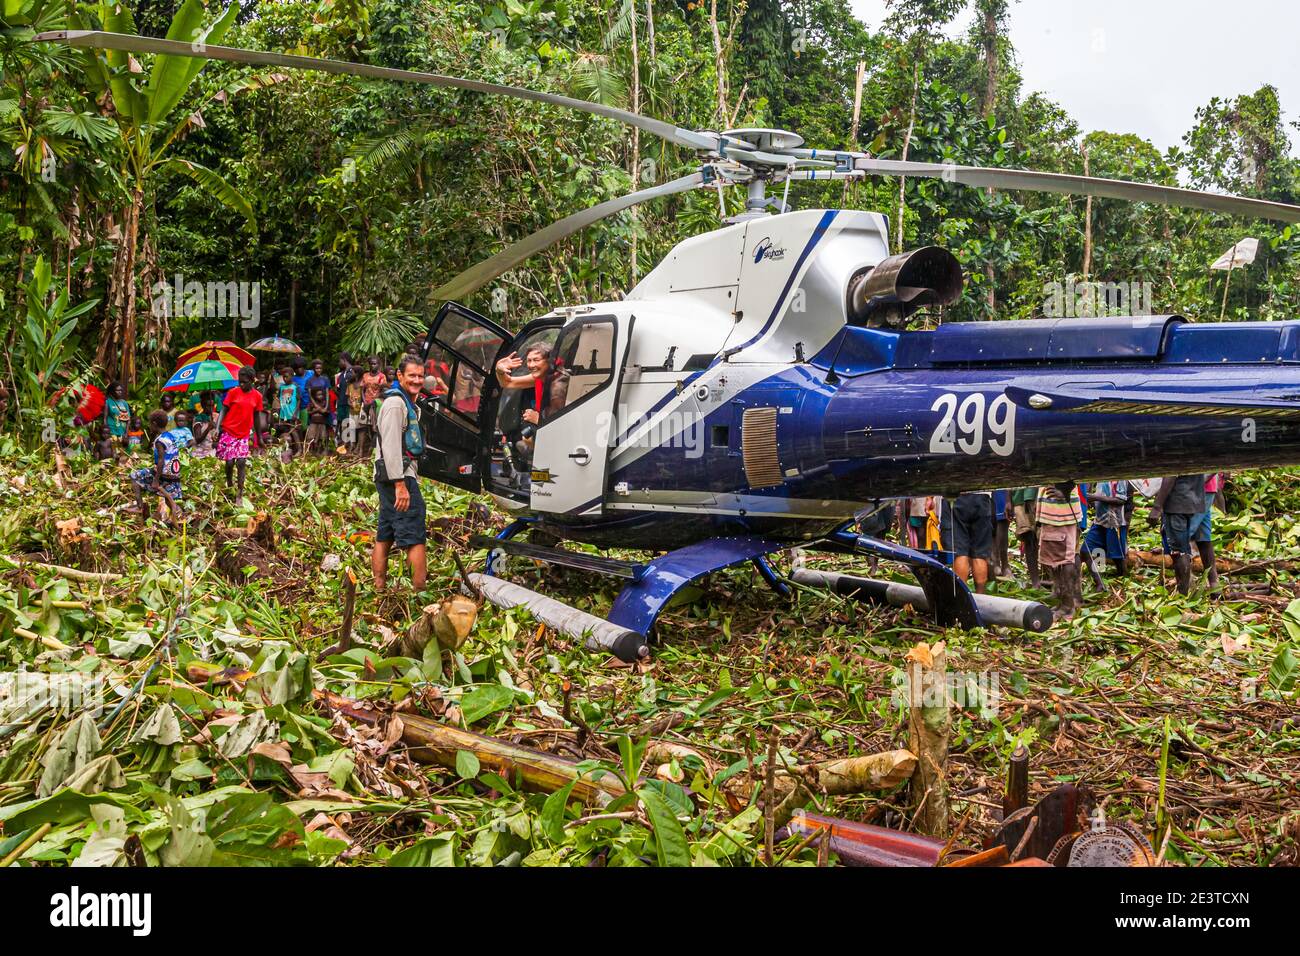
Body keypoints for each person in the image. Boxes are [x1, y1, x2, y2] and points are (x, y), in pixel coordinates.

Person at [372, 356, 428, 592]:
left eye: (420, 376)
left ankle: (379, 587)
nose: (416, 380)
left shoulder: (407, 403)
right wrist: (400, 484)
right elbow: (391, 446)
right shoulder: (396, 404)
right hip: (397, 477)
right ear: (400, 376)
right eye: (411, 376)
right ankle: (420, 595)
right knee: (415, 534)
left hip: (392, 476)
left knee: (385, 532)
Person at [1151, 474, 1209, 595]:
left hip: (1176, 503)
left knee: (1179, 552)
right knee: (1183, 549)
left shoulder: (1175, 455)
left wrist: (1157, 506)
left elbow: (1170, 475)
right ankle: (1184, 589)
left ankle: (1183, 593)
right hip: (1190, 501)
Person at [215, 366, 264, 507]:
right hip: (229, 431)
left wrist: (259, 437)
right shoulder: (233, 393)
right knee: (229, 462)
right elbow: (223, 410)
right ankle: (230, 483)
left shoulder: (257, 397)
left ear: (251, 381)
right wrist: (217, 428)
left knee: (241, 462)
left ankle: (239, 493)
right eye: (239, 382)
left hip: (243, 434)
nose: (241, 384)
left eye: (244, 382)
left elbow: (256, 418)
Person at [127, 409, 184, 526]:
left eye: (149, 423)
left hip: (163, 474)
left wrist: (156, 480)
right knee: (169, 500)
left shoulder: (160, 441)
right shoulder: (170, 435)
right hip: (174, 473)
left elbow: (162, 460)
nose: (148, 426)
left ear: (154, 424)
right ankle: (179, 517)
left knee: (134, 476)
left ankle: (139, 507)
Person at [1036, 482, 1083, 619]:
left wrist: (1066, 492)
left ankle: (1068, 605)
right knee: (1053, 560)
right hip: (1052, 512)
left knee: (1064, 559)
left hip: (1060, 513)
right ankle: (1063, 601)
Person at [950, 491, 994, 594]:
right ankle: (980, 596)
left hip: (955, 495)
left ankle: (961, 596)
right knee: (979, 553)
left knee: (960, 551)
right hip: (981, 495)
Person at [1084, 480, 1129, 577]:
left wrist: (1095, 498)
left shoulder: (1120, 477)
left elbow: (1121, 500)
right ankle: (1099, 577)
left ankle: (1122, 578)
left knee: (1117, 556)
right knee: (1088, 550)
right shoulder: (1101, 474)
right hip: (1100, 520)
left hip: (1114, 522)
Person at [357, 357, 388, 457]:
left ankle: (371, 451)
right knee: (362, 427)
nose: (373, 365)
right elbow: (362, 389)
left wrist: (374, 400)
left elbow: (383, 390)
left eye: (375, 364)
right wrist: (364, 400)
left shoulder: (381, 377)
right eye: (371, 364)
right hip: (365, 403)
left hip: (376, 404)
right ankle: (361, 450)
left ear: (378, 365)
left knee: (374, 427)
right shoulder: (365, 375)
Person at [1010, 486, 1040, 587]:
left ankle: (1051, 579)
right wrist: (1008, 500)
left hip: (1041, 497)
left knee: (1045, 538)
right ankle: (1035, 581)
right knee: (1028, 537)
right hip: (1020, 498)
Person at [103, 382, 131, 448]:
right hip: (112, 431)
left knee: (123, 453)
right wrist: (107, 433)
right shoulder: (108, 402)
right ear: (112, 391)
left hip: (122, 432)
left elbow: (128, 420)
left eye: (121, 390)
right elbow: (105, 418)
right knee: (114, 452)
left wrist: (126, 434)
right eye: (117, 390)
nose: (120, 392)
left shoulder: (124, 403)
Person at [306, 385, 330, 454]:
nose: (320, 396)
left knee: (321, 438)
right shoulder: (311, 404)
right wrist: (316, 410)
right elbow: (308, 412)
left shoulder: (324, 403)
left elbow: (327, 412)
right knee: (312, 437)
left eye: (321, 395)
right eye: (318, 395)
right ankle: (311, 450)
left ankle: (319, 450)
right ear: (314, 396)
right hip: (313, 423)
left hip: (322, 423)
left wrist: (323, 411)